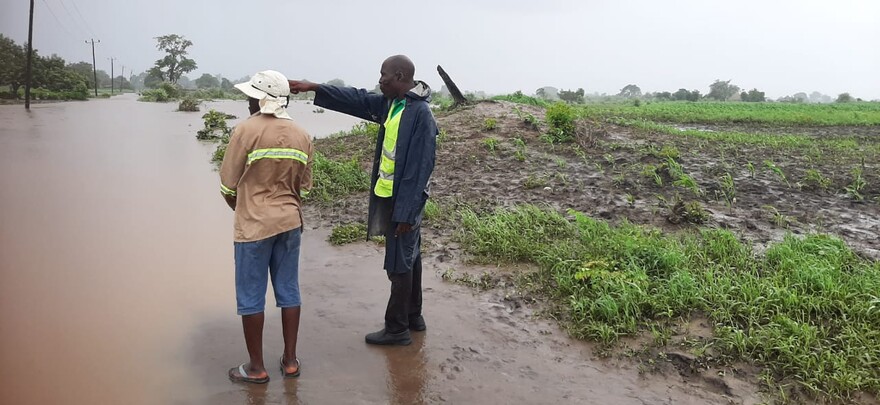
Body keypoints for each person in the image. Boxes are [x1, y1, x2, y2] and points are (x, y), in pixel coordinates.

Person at [289, 55, 437, 346]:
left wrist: (407, 213)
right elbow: (356, 99)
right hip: (390, 195)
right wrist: (314, 87)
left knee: (399, 263)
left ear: (398, 75)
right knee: (411, 257)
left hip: (404, 202)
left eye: (383, 75)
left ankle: (396, 329)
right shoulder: (393, 104)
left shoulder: (421, 115)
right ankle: (413, 317)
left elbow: (421, 168)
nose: (379, 80)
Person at [220, 70, 313, 383]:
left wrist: (244, 207)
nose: (247, 101)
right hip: (290, 222)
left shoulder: (245, 131)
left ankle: (256, 368)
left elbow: (228, 185)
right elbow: (306, 187)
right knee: (289, 291)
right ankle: (289, 361)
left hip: (253, 226)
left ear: (260, 99)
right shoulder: (302, 134)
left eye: (250, 96)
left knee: (250, 297)